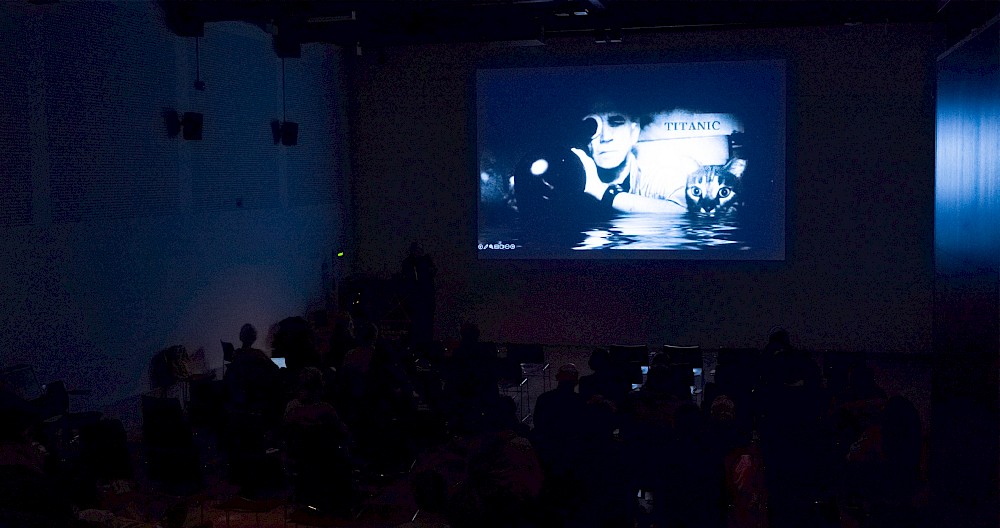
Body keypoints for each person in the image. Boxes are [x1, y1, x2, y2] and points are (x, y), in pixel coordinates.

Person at [513, 104, 685, 222]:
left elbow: (686, 215)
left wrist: (601, 191)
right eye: (592, 127)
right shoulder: (563, 184)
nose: (605, 137)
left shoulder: (661, 176)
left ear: (634, 132)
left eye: (616, 122)